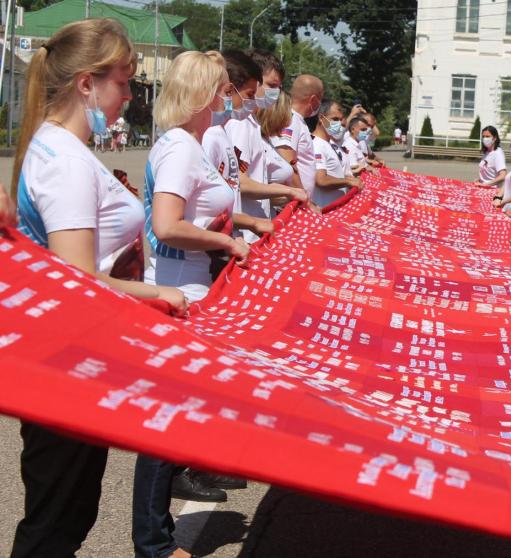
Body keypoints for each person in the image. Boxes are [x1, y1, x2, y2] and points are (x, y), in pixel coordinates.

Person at [8, 18, 186, 558]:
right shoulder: (64, 161)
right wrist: (159, 295)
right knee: (56, 523)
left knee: (62, 512)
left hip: (66, 354)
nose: (130, 96)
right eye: (124, 82)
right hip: (66, 360)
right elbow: (77, 277)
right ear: (86, 83)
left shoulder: (57, 147)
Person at [138, 50, 252, 558]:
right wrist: (226, 243)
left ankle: (155, 539)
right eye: (224, 89)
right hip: (182, 293)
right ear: (207, 94)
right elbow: (167, 224)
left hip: (187, 287)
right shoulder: (183, 148)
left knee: (175, 417)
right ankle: (155, 544)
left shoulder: (183, 143)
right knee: (166, 423)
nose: (226, 98)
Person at [223, 50, 307, 243]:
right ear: (254, 80)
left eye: (278, 87)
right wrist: (289, 192)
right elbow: (240, 182)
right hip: (245, 235)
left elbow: (256, 179)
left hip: (253, 231)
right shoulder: (240, 123)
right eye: (271, 85)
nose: (275, 93)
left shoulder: (251, 123)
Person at [271, 73, 322, 200]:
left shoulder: (298, 121)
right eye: (321, 98)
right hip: (294, 203)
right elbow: (287, 160)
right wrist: (304, 200)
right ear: (314, 99)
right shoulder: (291, 120)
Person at [312, 100, 363, 207]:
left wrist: (350, 179)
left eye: (340, 119)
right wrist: (347, 182)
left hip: (336, 208)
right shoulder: (316, 144)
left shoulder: (330, 143)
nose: (339, 123)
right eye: (335, 119)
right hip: (324, 209)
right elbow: (321, 180)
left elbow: (336, 173)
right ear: (321, 118)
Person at [257, 92, 298, 199]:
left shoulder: (268, 141)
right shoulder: (257, 141)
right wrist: (291, 193)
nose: (290, 119)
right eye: (289, 113)